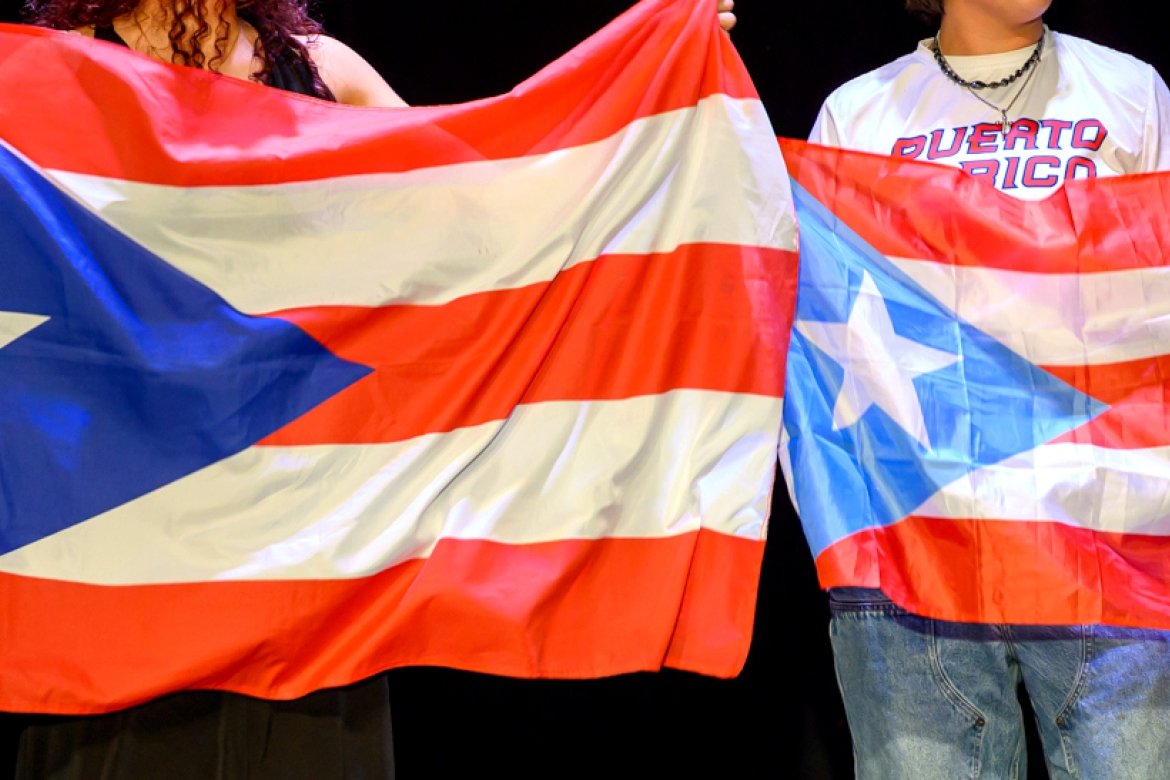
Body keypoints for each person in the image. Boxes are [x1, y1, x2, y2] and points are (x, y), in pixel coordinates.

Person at [9, 0, 737, 778]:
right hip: (132, 506)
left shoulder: (324, 67)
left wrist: (649, 78)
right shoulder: (54, 69)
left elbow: (483, 192)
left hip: (306, 508)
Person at [806, 1, 1170, 778]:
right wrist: (696, 97)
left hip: (1104, 550)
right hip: (913, 561)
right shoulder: (857, 112)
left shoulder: (1130, 92)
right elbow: (811, 314)